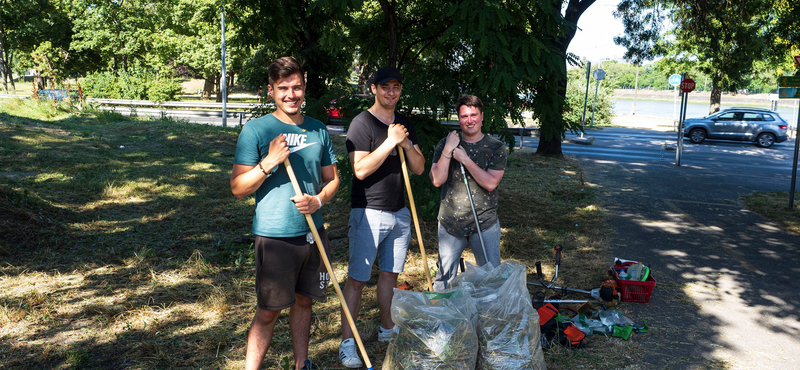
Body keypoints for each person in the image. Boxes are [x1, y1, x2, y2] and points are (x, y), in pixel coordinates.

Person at [230, 56, 339, 370]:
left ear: (304, 88)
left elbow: (333, 180)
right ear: (270, 91)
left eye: (296, 87)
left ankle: (301, 364)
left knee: (305, 300)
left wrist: (318, 200)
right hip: (275, 237)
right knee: (268, 311)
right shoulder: (257, 131)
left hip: (313, 232)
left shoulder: (318, 130)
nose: (291, 94)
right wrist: (270, 162)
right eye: (283, 88)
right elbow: (238, 187)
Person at [338, 66, 425, 368]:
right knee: (358, 280)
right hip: (368, 211)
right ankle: (347, 342)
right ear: (373, 88)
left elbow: (418, 167)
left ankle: (387, 330)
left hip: (400, 211)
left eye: (396, 87)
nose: (391, 92)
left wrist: (405, 143)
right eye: (385, 87)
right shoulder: (361, 123)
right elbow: (359, 170)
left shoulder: (404, 123)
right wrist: (389, 142)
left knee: (390, 274)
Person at [429, 95, 507, 292]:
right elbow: (437, 180)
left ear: (482, 116)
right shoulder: (445, 143)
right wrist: (448, 149)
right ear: (459, 118)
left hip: (484, 223)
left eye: (473, 115)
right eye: (464, 116)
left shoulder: (495, 147)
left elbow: (490, 183)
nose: (469, 120)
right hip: (450, 223)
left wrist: (465, 159)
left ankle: (490, 319)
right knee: (444, 279)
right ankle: (444, 319)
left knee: (491, 278)